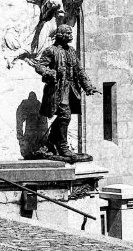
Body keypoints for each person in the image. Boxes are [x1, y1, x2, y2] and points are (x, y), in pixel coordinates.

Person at [34, 24, 96, 161]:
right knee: (65, 115)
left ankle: (52, 140)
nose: (70, 36)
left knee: (64, 116)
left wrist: (88, 86)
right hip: (57, 90)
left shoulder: (71, 51)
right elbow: (39, 66)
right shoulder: (51, 50)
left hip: (71, 89)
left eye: (71, 33)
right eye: (67, 33)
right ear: (60, 35)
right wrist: (50, 72)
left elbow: (79, 70)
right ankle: (62, 146)